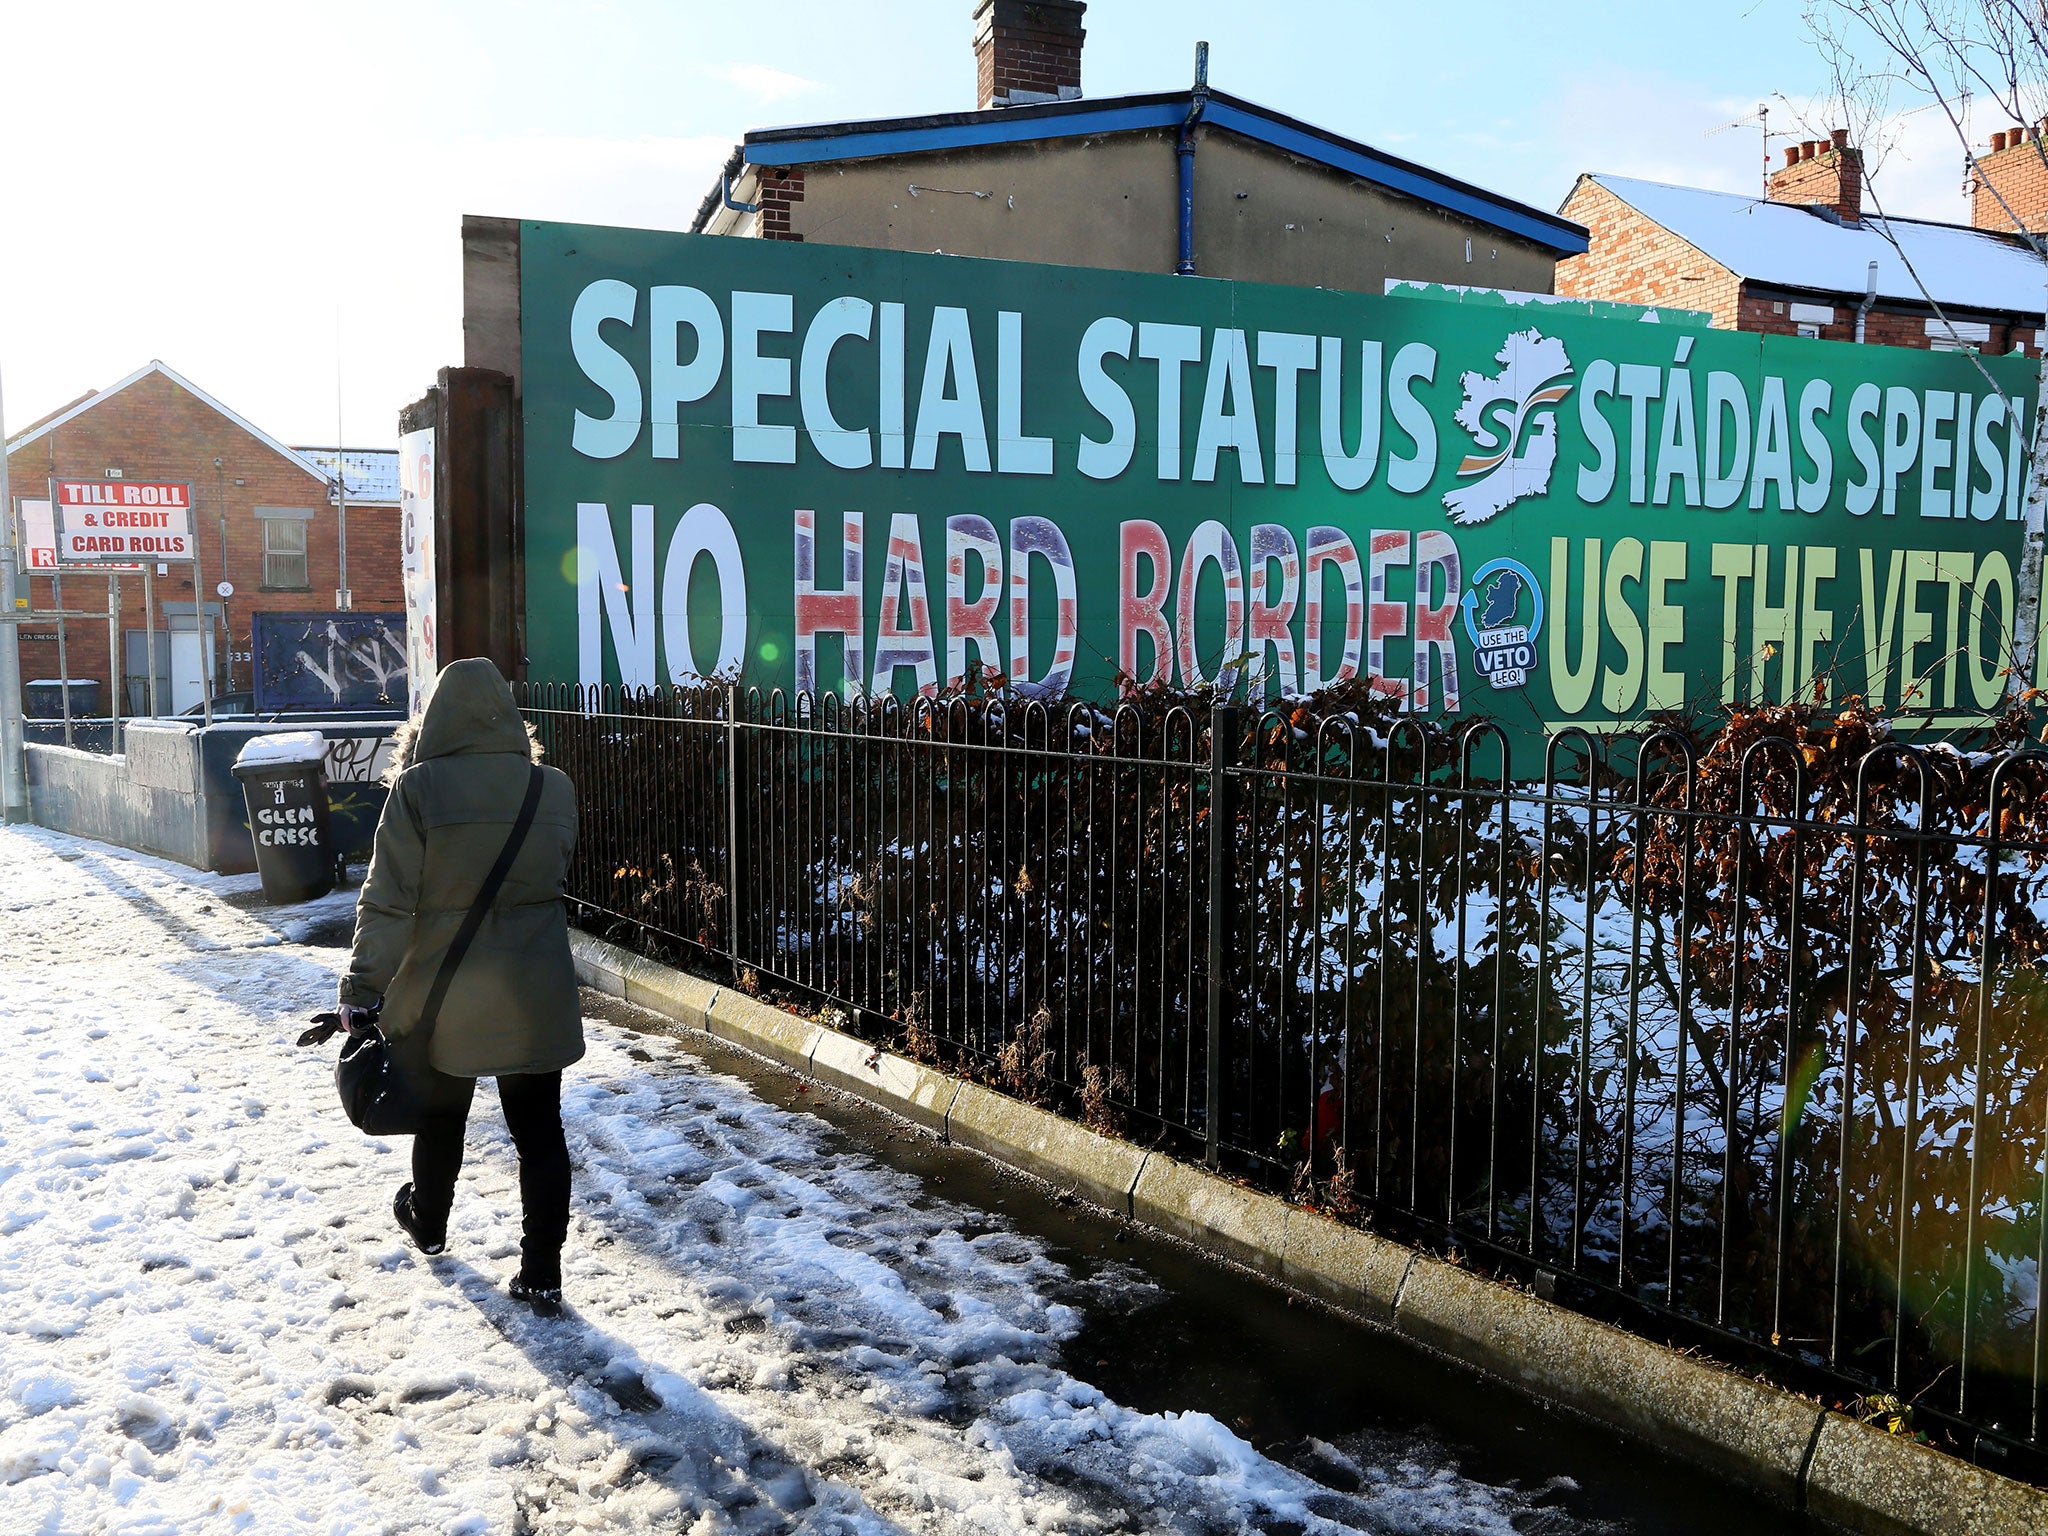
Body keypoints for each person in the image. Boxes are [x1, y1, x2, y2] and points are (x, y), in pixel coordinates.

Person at [337, 658, 583, 1313]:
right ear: (508, 715)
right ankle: (541, 1272)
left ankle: (430, 1222)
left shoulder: (416, 791)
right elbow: (557, 867)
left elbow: (386, 903)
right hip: (534, 986)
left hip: (445, 990)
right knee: (540, 1133)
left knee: (441, 1113)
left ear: (436, 719)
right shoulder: (550, 788)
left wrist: (362, 990)